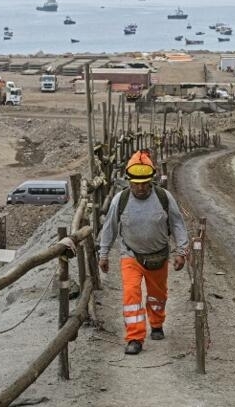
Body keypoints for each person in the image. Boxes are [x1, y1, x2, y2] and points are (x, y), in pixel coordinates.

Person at [99, 150, 189, 355]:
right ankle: (134, 337)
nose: (140, 188)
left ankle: (156, 324)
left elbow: (178, 225)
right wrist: (103, 254)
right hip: (131, 255)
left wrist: (182, 252)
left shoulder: (164, 198)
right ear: (129, 181)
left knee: (157, 295)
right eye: (136, 184)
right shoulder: (119, 201)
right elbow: (109, 228)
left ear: (151, 181)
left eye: (144, 183)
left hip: (158, 255)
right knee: (131, 295)